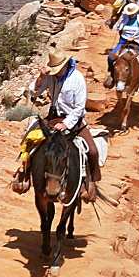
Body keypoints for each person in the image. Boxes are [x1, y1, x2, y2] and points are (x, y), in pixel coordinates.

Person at [20, 49, 101, 202]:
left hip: (73, 119)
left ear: (65, 65)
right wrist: (41, 78)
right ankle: (24, 174)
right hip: (52, 117)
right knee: (28, 139)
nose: (56, 73)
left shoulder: (77, 78)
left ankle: (90, 183)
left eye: (58, 70)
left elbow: (79, 107)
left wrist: (66, 123)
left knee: (92, 150)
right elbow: (34, 92)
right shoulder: (50, 76)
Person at [104, 2, 139, 89]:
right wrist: (122, 16)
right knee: (110, 57)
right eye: (129, 13)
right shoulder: (125, 19)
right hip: (124, 41)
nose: (131, 15)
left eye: (132, 13)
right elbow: (116, 27)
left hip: (137, 41)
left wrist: (134, 38)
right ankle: (111, 74)